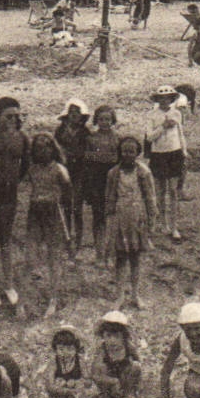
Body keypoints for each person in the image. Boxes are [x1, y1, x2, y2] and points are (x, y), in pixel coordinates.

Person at [0, 97, 29, 308]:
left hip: (10, 194)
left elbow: (25, 165)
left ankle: (8, 284)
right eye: (8, 116)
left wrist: (14, 181)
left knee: (5, 239)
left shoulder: (22, 138)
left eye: (16, 116)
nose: (13, 120)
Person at [104, 136, 156, 310]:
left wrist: (151, 220)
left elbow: (150, 197)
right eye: (124, 151)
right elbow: (109, 197)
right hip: (120, 217)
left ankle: (135, 294)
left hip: (137, 218)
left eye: (131, 151)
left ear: (137, 153)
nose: (127, 154)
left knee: (135, 258)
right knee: (120, 258)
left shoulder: (143, 172)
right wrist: (109, 219)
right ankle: (120, 295)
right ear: (120, 152)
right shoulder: (113, 173)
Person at [23, 133, 72, 319]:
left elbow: (68, 194)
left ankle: (54, 298)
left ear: (53, 149)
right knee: (30, 256)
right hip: (35, 213)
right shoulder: (32, 169)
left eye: (46, 147)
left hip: (53, 213)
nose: (42, 151)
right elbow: (25, 190)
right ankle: (25, 301)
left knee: (54, 257)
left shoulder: (59, 169)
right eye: (38, 148)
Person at [145, 86, 187, 242]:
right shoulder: (151, 115)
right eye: (161, 98)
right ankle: (163, 223)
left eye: (168, 98)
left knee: (173, 191)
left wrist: (184, 151)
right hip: (159, 155)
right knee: (160, 191)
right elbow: (149, 137)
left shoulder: (177, 113)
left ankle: (174, 225)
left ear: (172, 99)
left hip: (174, 153)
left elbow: (180, 134)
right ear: (157, 99)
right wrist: (163, 126)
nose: (164, 100)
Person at [78, 105, 120, 254]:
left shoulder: (117, 138)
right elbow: (87, 157)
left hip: (112, 178)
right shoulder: (91, 138)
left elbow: (118, 158)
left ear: (112, 120)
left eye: (108, 119)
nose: (105, 122)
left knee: (113, 211)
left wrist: (104, 157)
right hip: (96, 179)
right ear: (96, 120)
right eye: (101, 119)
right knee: (98, 214)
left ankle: (112, 246)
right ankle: (99, 247)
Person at [52, 101, 90, 252]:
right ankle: (66, 238)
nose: (74, 115)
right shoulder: (60, 131)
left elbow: (86, 151)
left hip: (79, 171)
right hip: (64, 170)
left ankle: (79, 240)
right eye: (71, 112)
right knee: (65, 205)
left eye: (77, 112)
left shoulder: (85, 132)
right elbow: (55, 149)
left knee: (77, 207)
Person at [41, 324, 96, 398]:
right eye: (61, 349)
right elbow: (49, 384)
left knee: (79, 394)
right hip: (60, 391)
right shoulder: (54, 362)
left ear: (76, 349)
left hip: (75, 392)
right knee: (56, 388)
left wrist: (79, 382)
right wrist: (63, 388)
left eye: (70, 349)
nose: (65, 353)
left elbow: (88, 381)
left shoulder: (80, 361)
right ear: (55, 349)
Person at [90, 310, 142, 398]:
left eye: (116, 336)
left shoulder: (128, 347)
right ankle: (106, 396)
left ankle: (129, 394)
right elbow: (95, 373)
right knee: (101, 367)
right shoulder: (102, 350)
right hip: (109, 380)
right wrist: (112, 381)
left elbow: (138, 365)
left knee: (135, 366)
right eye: (108, 336)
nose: (112, 341)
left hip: (124, 379)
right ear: (103, 336)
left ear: (123, 337)